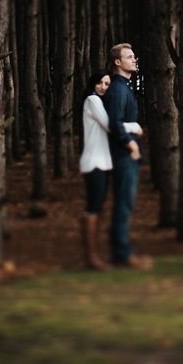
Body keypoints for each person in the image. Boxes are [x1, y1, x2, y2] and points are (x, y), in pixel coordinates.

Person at [102, 43, 152, 269]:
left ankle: (121, 252)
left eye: (134, 56)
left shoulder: (125, 87)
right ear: (117, 62)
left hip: (126, 154)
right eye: (129, 57)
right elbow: (114, 123)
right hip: (123, 155)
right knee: (123, 203)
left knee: (126, 203)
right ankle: (122, 254)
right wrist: (130, 145)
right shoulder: (117, 89)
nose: (134, 60)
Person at [78, 71, 114, 270]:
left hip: (102, 161)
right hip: (94, 162)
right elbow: (110, 126)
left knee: (97, 207)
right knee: (93, 207)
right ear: (93, 84)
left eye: (107, 83)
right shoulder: (93, 100)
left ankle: (94, 256)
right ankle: (91, 258)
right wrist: (134, 127)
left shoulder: (100, 103)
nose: (103, 86)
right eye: (100, 82)